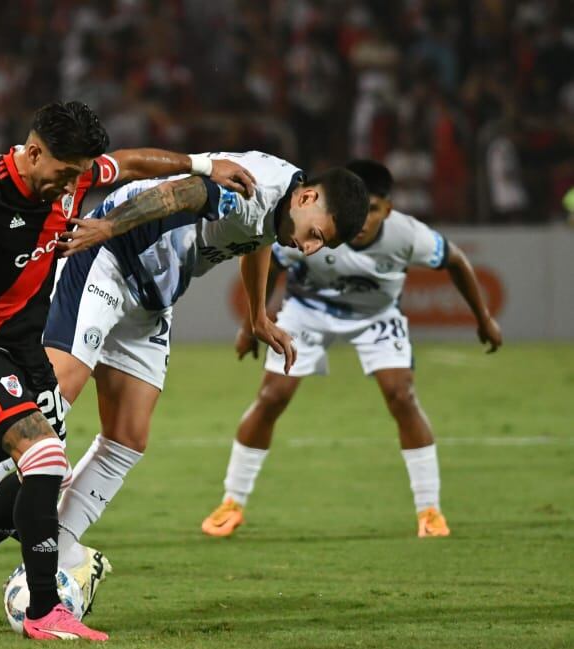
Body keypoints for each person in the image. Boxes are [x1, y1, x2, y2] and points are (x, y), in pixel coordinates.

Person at [0, 151, 369, 632]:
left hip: (152, 296)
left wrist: (258, 313)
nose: (307, 248)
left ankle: (54, 553)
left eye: (319, 246)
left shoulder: (282, 204)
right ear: (306, 197)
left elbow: (257, 239)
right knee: (44, 412)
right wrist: (107, 227)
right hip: (109, 259)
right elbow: (181, 192)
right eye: (316, 235)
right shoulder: (255, 189)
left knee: (128, 438)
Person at [0, 102, 258, 640]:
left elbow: (127, 164)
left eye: (79, 174)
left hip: (26, 350)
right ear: (34, 152)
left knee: (41, 475)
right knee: (44, 455)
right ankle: (43, 610)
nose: (72, 183)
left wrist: (201, 165)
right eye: (64, 173)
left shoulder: (71, 176)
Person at [201, 159, 503, 539]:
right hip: (308, 310)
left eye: (373, 211)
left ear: (388, 210)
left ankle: (429, 510)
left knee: (401, 395)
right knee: (272, 396)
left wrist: (484, 319)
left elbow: (455, 261)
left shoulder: (408, 235)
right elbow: (268, 259)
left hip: (375, 315)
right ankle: (232, 502)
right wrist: (251, 325)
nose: (361, 222)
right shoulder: (318, 223)